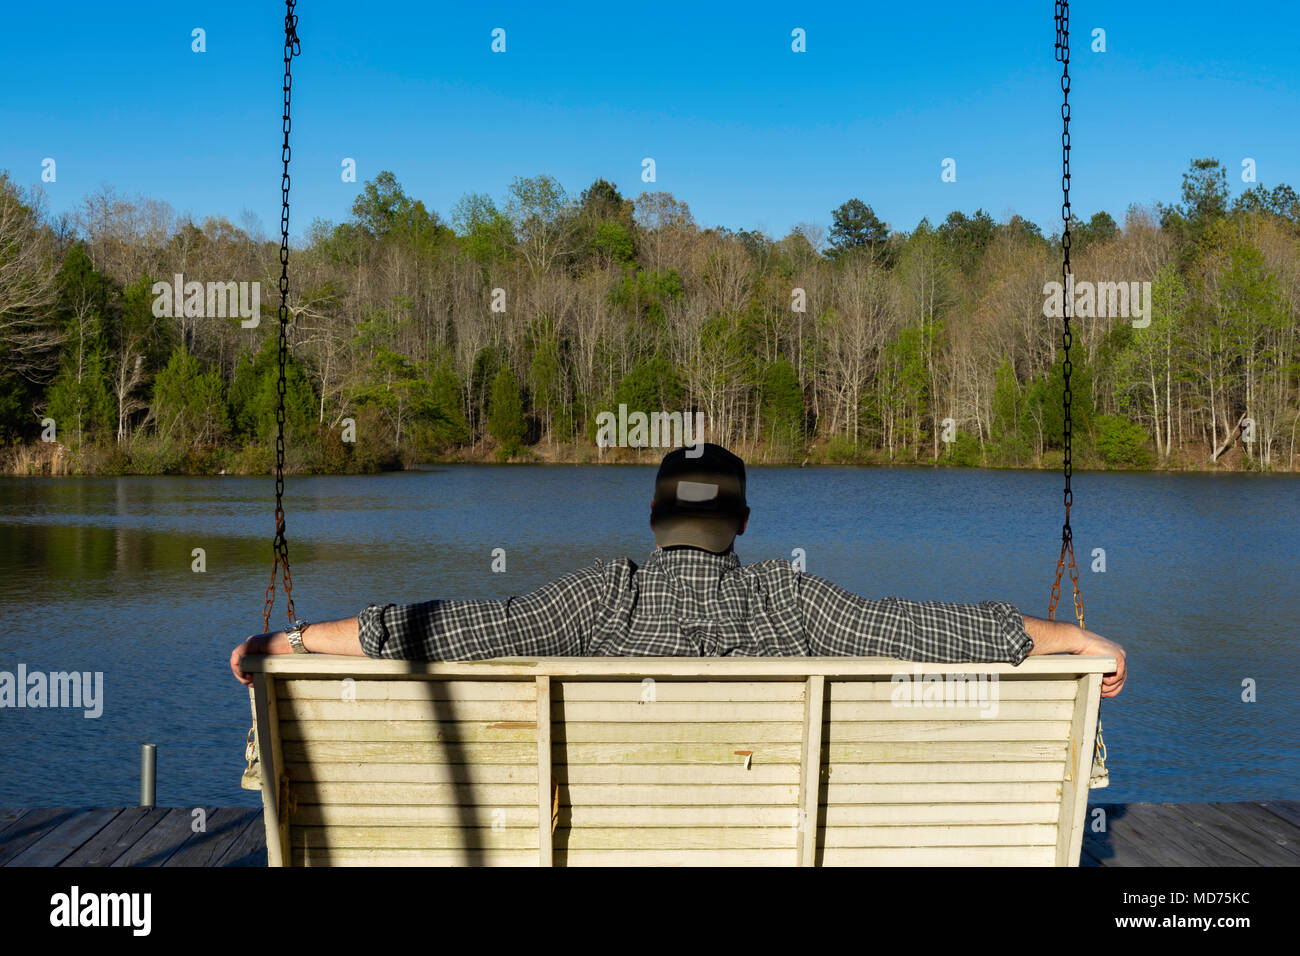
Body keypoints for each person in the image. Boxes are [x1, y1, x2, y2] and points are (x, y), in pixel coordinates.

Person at [230, 443, 1126, 697]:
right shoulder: (792, 598)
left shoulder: (598, 594)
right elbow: (932, 630)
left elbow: (454, 627)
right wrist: (1077, 638)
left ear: (654, 518)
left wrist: (296, 637)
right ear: (741, 522)